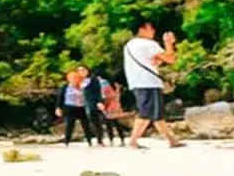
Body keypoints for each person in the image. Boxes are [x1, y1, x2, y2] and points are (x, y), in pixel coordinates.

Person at [122, 19, 184, 149]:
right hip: (148, 82)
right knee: (146, 113)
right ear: (141, 29)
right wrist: (169, 43)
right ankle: (133, 141)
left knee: (157, 115)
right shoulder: (149, 44)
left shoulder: (129, 45)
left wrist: (158, 59)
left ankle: (172, 140)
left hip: (137, 82)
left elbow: (152, 61)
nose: (153, 31)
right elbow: (170, 59)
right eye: (150, 28)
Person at [54, 69, 95, 146]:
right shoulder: (65, 87)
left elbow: (88, 96)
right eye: (72, 78)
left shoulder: (83, 86)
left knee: (86, 125)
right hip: (70, 107)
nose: (74, 80)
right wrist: (58, 108)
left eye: (75, 78)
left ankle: (89, 141)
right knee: (69, 125)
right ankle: (66, 142)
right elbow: (60, 98)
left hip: (81, 107)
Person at [75, 65, 108, 147]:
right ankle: (89, 141)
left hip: (92, 103)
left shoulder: (93, 79)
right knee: (85, 123)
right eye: (79, 70)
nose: (81, 72)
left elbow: (98, 91)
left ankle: (100, 140)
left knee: (95, 122)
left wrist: (99, 101)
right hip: (81, 104)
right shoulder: (78, 81)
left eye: (83, 70)